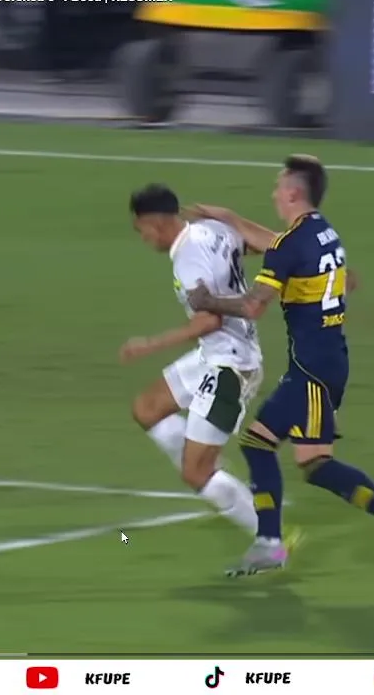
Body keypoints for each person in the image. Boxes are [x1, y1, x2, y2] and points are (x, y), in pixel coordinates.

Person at [187, 156, 374, 576]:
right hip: (328, 361)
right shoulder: (323, 232)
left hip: (311, 368)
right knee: (314, 463)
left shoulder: (289, 246)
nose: (274, 194)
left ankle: (269, 543)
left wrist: (205, 300)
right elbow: (288, 249)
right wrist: (230, 218)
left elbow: (253, 305)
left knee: (258, 444)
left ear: (294, 193)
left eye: (278, 187)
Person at [122, 184, 266, 539]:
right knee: (147, 408)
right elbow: (260, 245)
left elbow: (208, 322)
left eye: (141, 230)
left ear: (155, 223)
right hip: (213, 355)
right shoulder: (211, 229)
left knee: (195, 474)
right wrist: (233, 220)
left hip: (230, 367)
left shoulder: (187, 260)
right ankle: (213, 475)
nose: (143, 239)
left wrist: (149, 345)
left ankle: (271, 537)